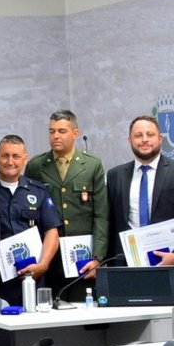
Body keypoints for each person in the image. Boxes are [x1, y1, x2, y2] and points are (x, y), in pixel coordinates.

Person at [106, 116, 174, 282]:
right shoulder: (115, 175)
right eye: (138, 135)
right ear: (130, 140)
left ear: (160, 138)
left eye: (150, 134)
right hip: (128, 267)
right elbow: (110, 221)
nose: (144, 139)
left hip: (171, 265)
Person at [25, 110, 108, 294]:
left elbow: (101, 215)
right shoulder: (36, 166)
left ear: (75, 133)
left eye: (61, 131)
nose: (56, 136)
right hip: (49, 258)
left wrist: (98, 257)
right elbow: (30, 213)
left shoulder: (92, 166)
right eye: (52, 131)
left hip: (82, 257)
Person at [0, 135, 61, 305]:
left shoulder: (38, 191)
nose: (10, 161)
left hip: (33, 277)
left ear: (25, 159)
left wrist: (43, 265)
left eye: (16, 156)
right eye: (5, 156)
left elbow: (52, 231)